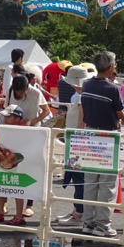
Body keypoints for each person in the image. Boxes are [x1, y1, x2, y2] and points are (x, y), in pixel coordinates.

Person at [79, 50, 124, 238]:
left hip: (90, 134)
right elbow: (120, 114)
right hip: (107, 136)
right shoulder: (112, 89)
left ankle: (87, 222)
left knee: (91, 182)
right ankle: (102, 225)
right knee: (107, 184)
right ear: (110, 66)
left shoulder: (86, 84)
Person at [55, 65, 90, 226]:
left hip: (78, 141)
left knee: (79, 177)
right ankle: (77, 210)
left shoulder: (82, 97)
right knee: (77, 177)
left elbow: (81, 122)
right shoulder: (79, 95)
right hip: (76, 140)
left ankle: (79, 212)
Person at [0, 105, 30, 226]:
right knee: (1, 186)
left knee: (18, 189)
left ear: (18, 118)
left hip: (19, 163)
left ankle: (19, 216)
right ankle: (0, 212)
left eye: (9, 116)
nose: (5, 118)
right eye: (5, 116)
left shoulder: (25, 129)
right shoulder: (2, 128)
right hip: (4, 161)